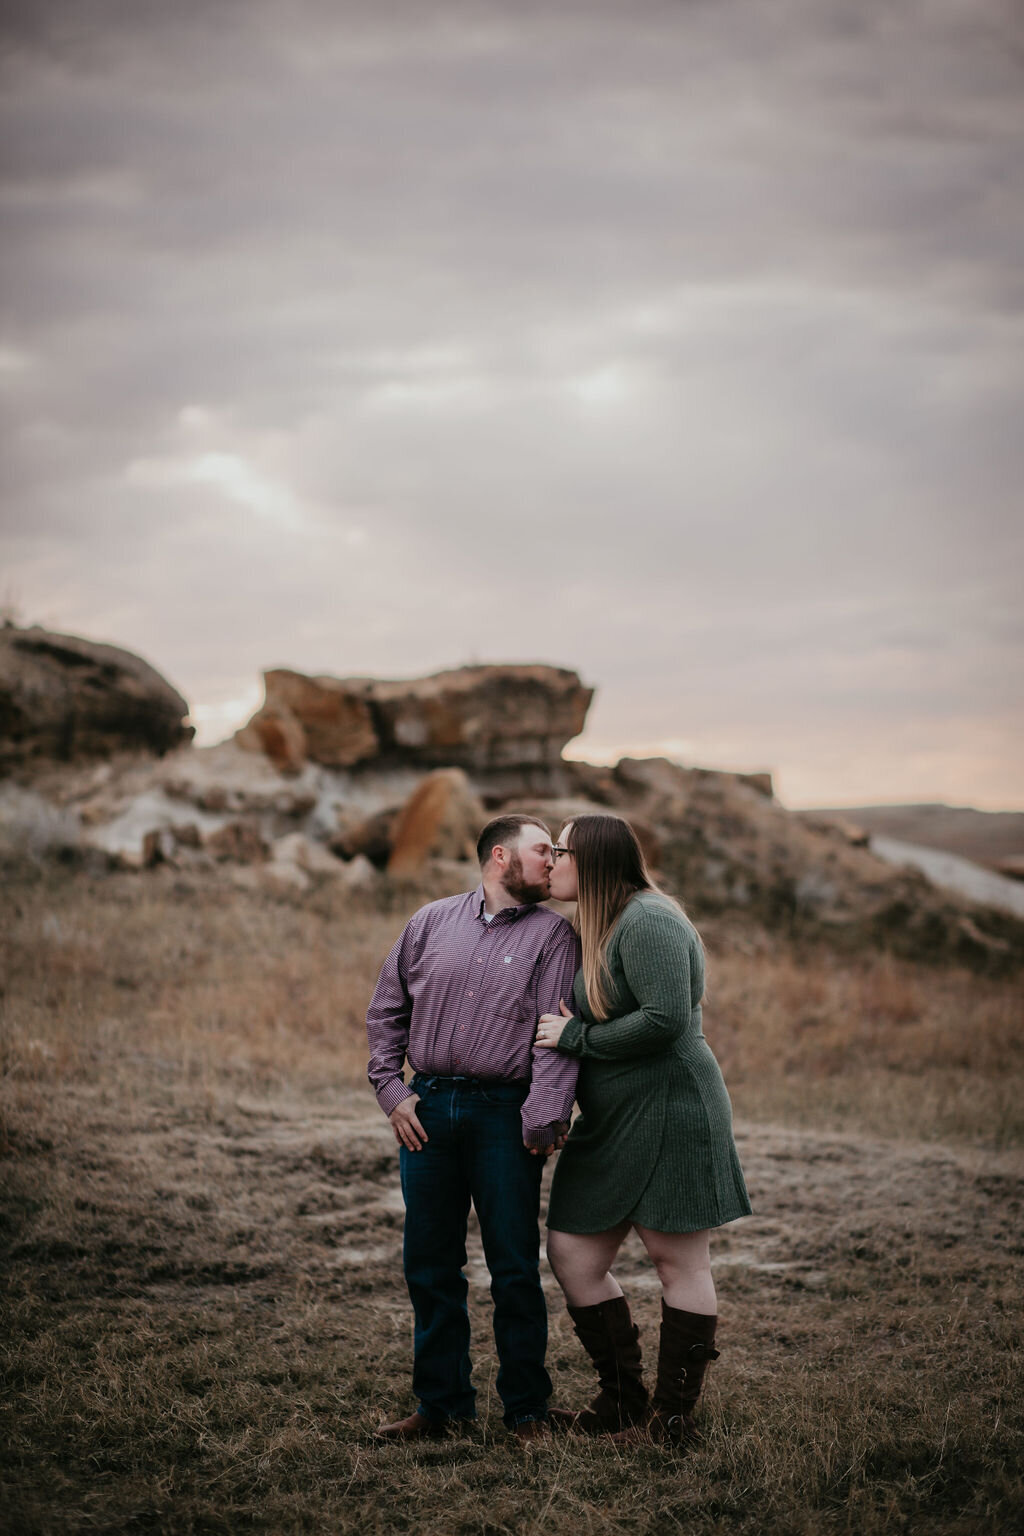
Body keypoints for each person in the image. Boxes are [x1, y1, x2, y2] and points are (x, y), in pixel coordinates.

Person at [534, 813, 751, 1445]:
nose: (549, 861)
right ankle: (624, 1401)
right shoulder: (600, 923)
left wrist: (576, 1037)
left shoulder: (649, 920)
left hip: (673, 1108)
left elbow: (664, 1019)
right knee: (573, 1252)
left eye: (559, 850)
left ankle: (672, 1420)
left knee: (676, 1259)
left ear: (593, 860)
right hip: (614, 1119)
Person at [366, 813, 581, 1443]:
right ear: (499, 857)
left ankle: (526, 1412)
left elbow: (556, 1034)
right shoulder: (429, 922)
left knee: (513, 1267)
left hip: (503, 1116)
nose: (552, 860)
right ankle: (441, 1408)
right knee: (429, 1265)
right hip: (426, 1112)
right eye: (542, 850)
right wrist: (391, 1088)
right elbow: (386, 1009)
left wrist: (545, 1113)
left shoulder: (553, 936)